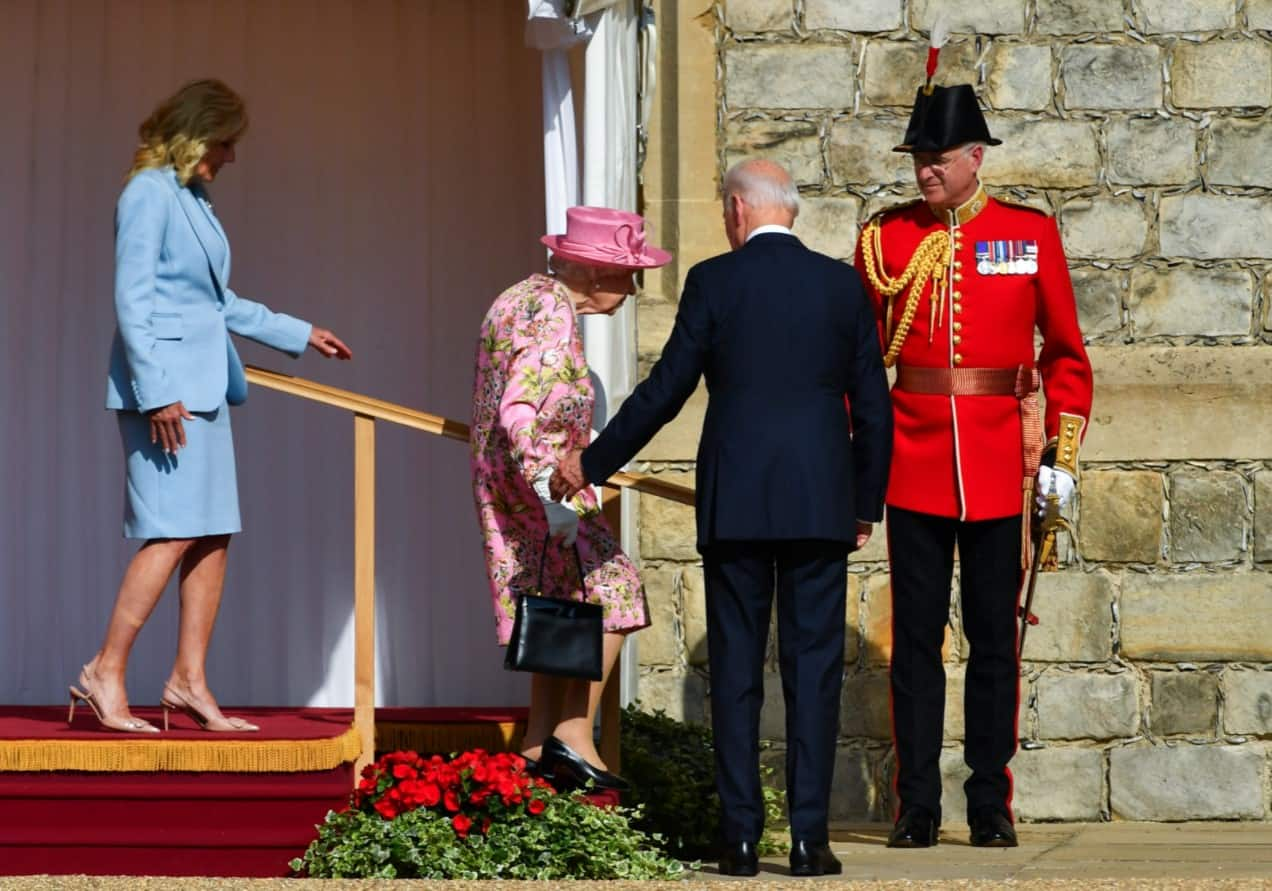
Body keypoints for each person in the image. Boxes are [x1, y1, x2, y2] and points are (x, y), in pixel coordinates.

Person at [555, 160, 892, 877]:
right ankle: (809, 839)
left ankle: (740, 837)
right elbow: (874, 405)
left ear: (740, 210)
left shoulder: (715, 281)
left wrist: (593, 460)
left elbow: (665, 391)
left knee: (735, 671)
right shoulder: (841, 285)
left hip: (737, 501)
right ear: (787, 212)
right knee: (814, 672)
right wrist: (864, 504)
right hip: (818, 503)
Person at [853, 74, 1093, 847]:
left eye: (936, 156)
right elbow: (859, 359)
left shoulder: (1028, 235)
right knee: (916, 645)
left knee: (996, 642)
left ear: (973, 157)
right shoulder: (888, 239)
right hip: (914, 461)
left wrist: (1061, 455)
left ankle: (990, 798)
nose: (923, 169)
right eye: (917, 156)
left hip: (999, 465)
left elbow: (1065, 356)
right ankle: (916, 801)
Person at [71, 79, 352, 734]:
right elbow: (132, 299)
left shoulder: (191, 198)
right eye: (225, 143)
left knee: (211, 531)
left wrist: (298, 332)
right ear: (197, 133)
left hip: (202, 390)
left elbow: (215, 302)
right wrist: (157, 390)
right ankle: (105, 670)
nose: (231, 157)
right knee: (170, 531)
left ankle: (187, 679)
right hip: (165, 393)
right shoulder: (147, 194)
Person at [470, 205, 671, 792]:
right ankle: (573, 733)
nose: (634, 287)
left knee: (558, 608)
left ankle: (538, 741)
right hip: (545, 491)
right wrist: (549, 495)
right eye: (627, 273)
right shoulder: (551, 311)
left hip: (512, 491)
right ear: (592, 271)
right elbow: (518, 407)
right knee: (615, 591)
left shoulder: (520, 296)